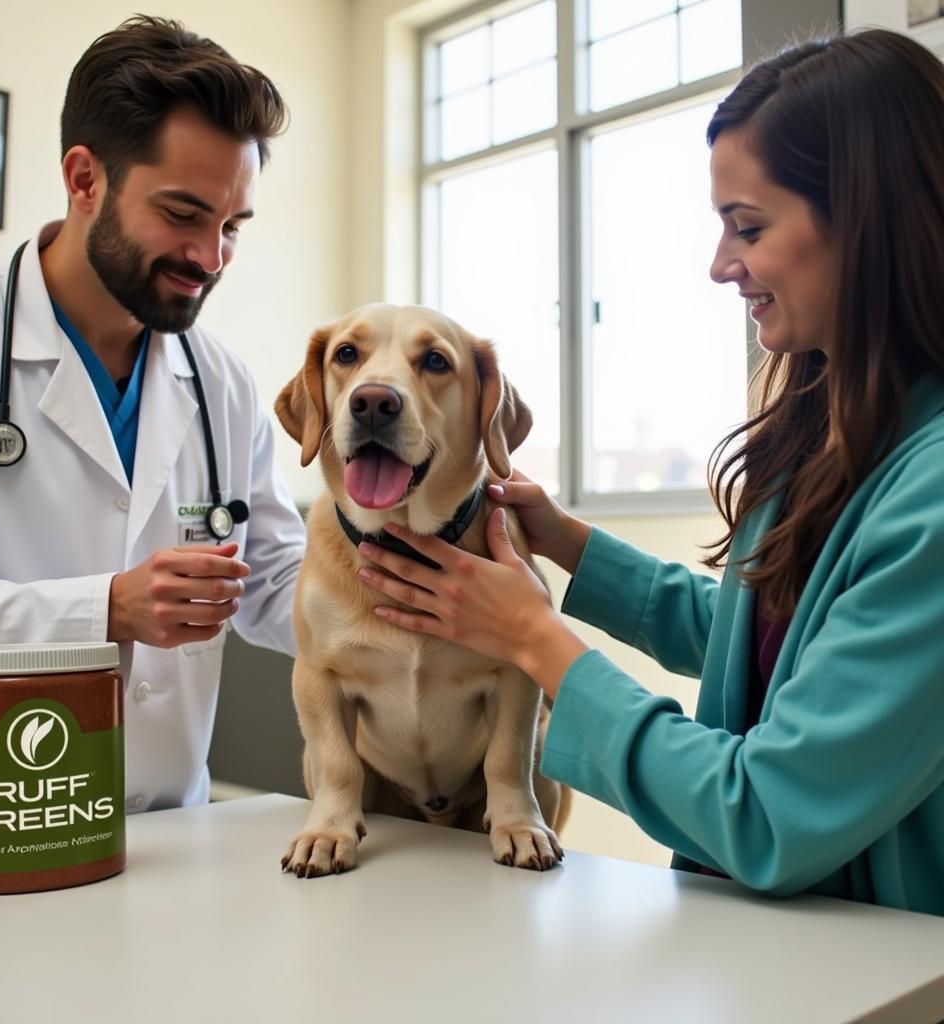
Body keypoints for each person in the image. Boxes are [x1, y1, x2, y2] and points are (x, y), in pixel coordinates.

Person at [354, 28, 944, 916]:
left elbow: (766, 815)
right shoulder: (835, 434)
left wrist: (536, 642)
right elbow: (776, 646)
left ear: (868, 217)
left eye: (748, 227)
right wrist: (570, 547)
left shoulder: (930, 497)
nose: (720, 265)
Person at [0, 16, 306, 841]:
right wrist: (107, 608)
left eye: (233, 226)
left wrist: (416, 596)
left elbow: (275, 585)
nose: (211, 257)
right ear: (85, 177)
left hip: (175, 837)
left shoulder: (223, 383)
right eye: (183, 214)